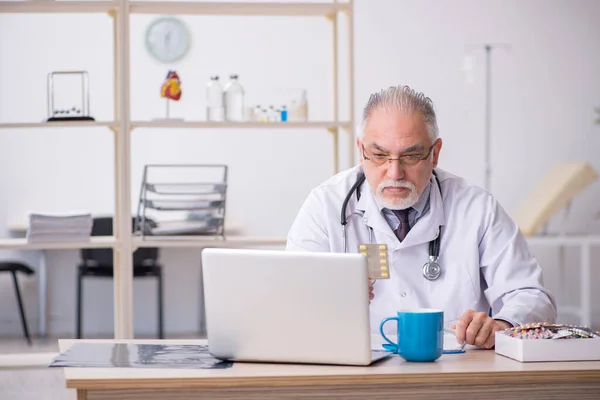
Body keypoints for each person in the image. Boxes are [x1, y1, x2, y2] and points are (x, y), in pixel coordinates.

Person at [286, 85, 557, 349]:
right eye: (379, 155)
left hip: (456, 374)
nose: (394, 173)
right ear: (361, 150)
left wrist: (501, 323)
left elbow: (531, 295)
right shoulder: (325, 206)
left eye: (411, 156)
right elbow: (290, 299)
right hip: (356, 372)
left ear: (435, 153)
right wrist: (325, 299)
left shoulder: (477, 208)